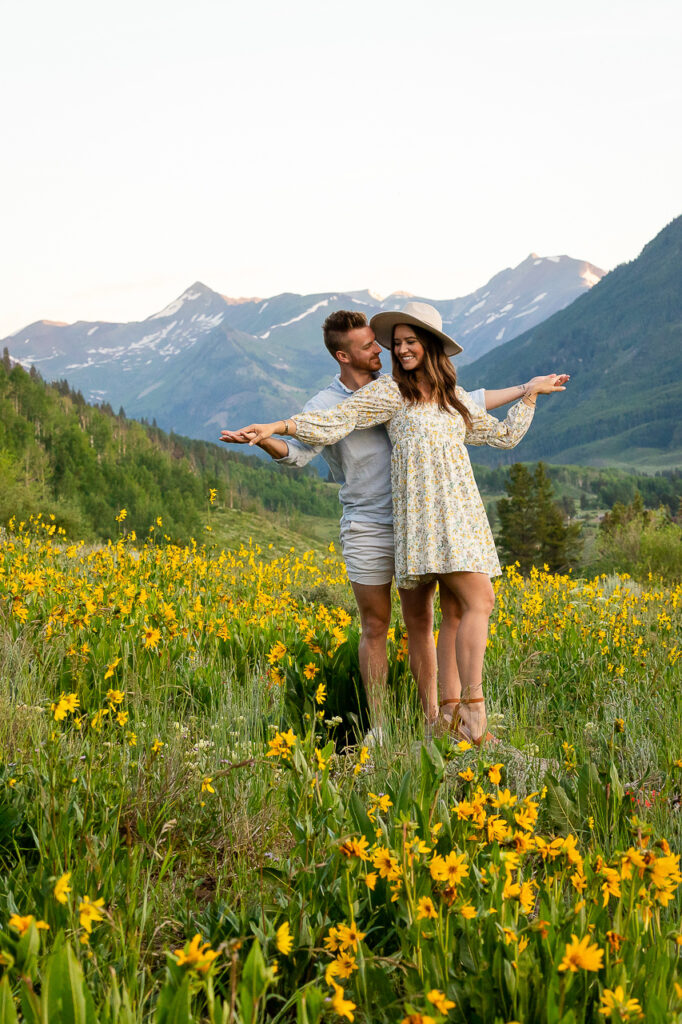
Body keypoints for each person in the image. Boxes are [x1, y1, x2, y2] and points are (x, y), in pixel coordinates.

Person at [224, 303, 567, 745]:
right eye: (389, 343)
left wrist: (530, 391)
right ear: (342, 356)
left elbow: (495, 427)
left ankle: (444, 716)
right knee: (416, 615)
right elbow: (329, 424)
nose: (392, 350)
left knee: (447, 614)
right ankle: (426, 719)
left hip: (455, 514)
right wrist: (277, 427)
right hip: (398, 521)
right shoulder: (387, 395)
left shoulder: (445, 395)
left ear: (430, 346)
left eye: (406, 342)